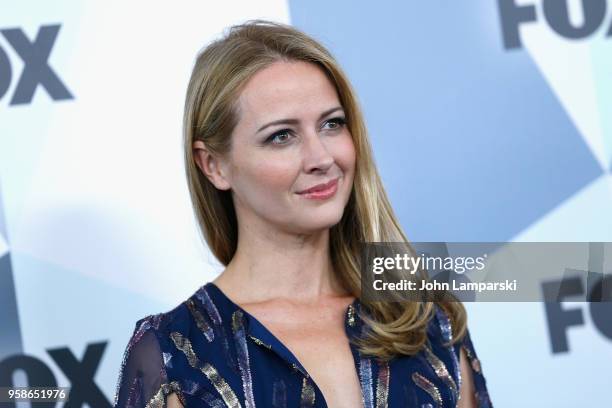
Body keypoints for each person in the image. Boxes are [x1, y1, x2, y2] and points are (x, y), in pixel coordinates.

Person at [113, 19, 492, 408]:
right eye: (282, 135)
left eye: (332, 124)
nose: (322, 158)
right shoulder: (177, 355)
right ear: (213, 165)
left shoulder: (426, 321)